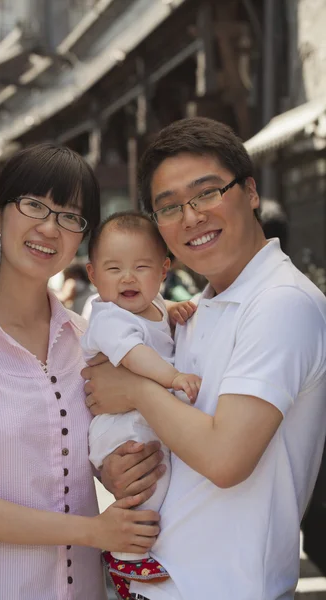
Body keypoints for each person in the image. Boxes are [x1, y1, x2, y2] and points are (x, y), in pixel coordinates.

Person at [82, 117, 326, 600]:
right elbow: (166, 434)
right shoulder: (199, 308)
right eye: (168, 207)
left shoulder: (281, 302)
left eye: (207, 193)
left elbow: (224, 457)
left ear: (251, 191)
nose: (191, 217)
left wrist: (134, 389)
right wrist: (116, 468)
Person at [0, 143, 160, 600]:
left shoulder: (87, 340)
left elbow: (97, 449)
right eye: (34, 205)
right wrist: (93, 531)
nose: (50, 227)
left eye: (70, 216)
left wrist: (119, 468)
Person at [81, 211, 198, 589]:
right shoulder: (110, 318)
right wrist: (174, 377)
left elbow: (158, 324)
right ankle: (127, 556)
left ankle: (139, 549)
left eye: (141, 267)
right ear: (93, 275)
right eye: (113, 269)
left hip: (141, 415)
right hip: (120, 426)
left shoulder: (156, 305)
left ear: (164, 270)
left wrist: (174, 312)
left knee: (159, 478)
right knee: (149, 483)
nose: (128, 278)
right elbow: (135, 356)